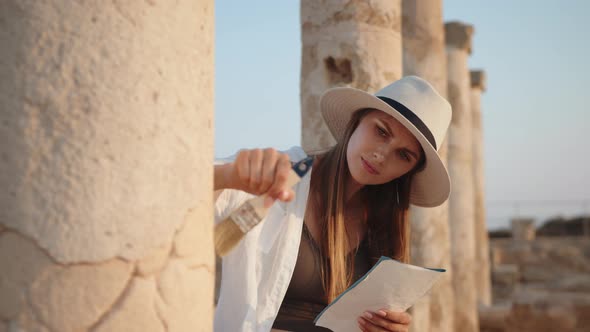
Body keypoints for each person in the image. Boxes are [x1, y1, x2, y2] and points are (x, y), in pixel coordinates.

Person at [213, 76, 452, 332]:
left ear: (408, 171)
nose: (381, 155)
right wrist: (232, 176)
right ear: (356, 121)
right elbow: (188, 189)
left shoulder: (384, 229)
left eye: (403, 155)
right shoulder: (285, 174)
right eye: (381, 131)